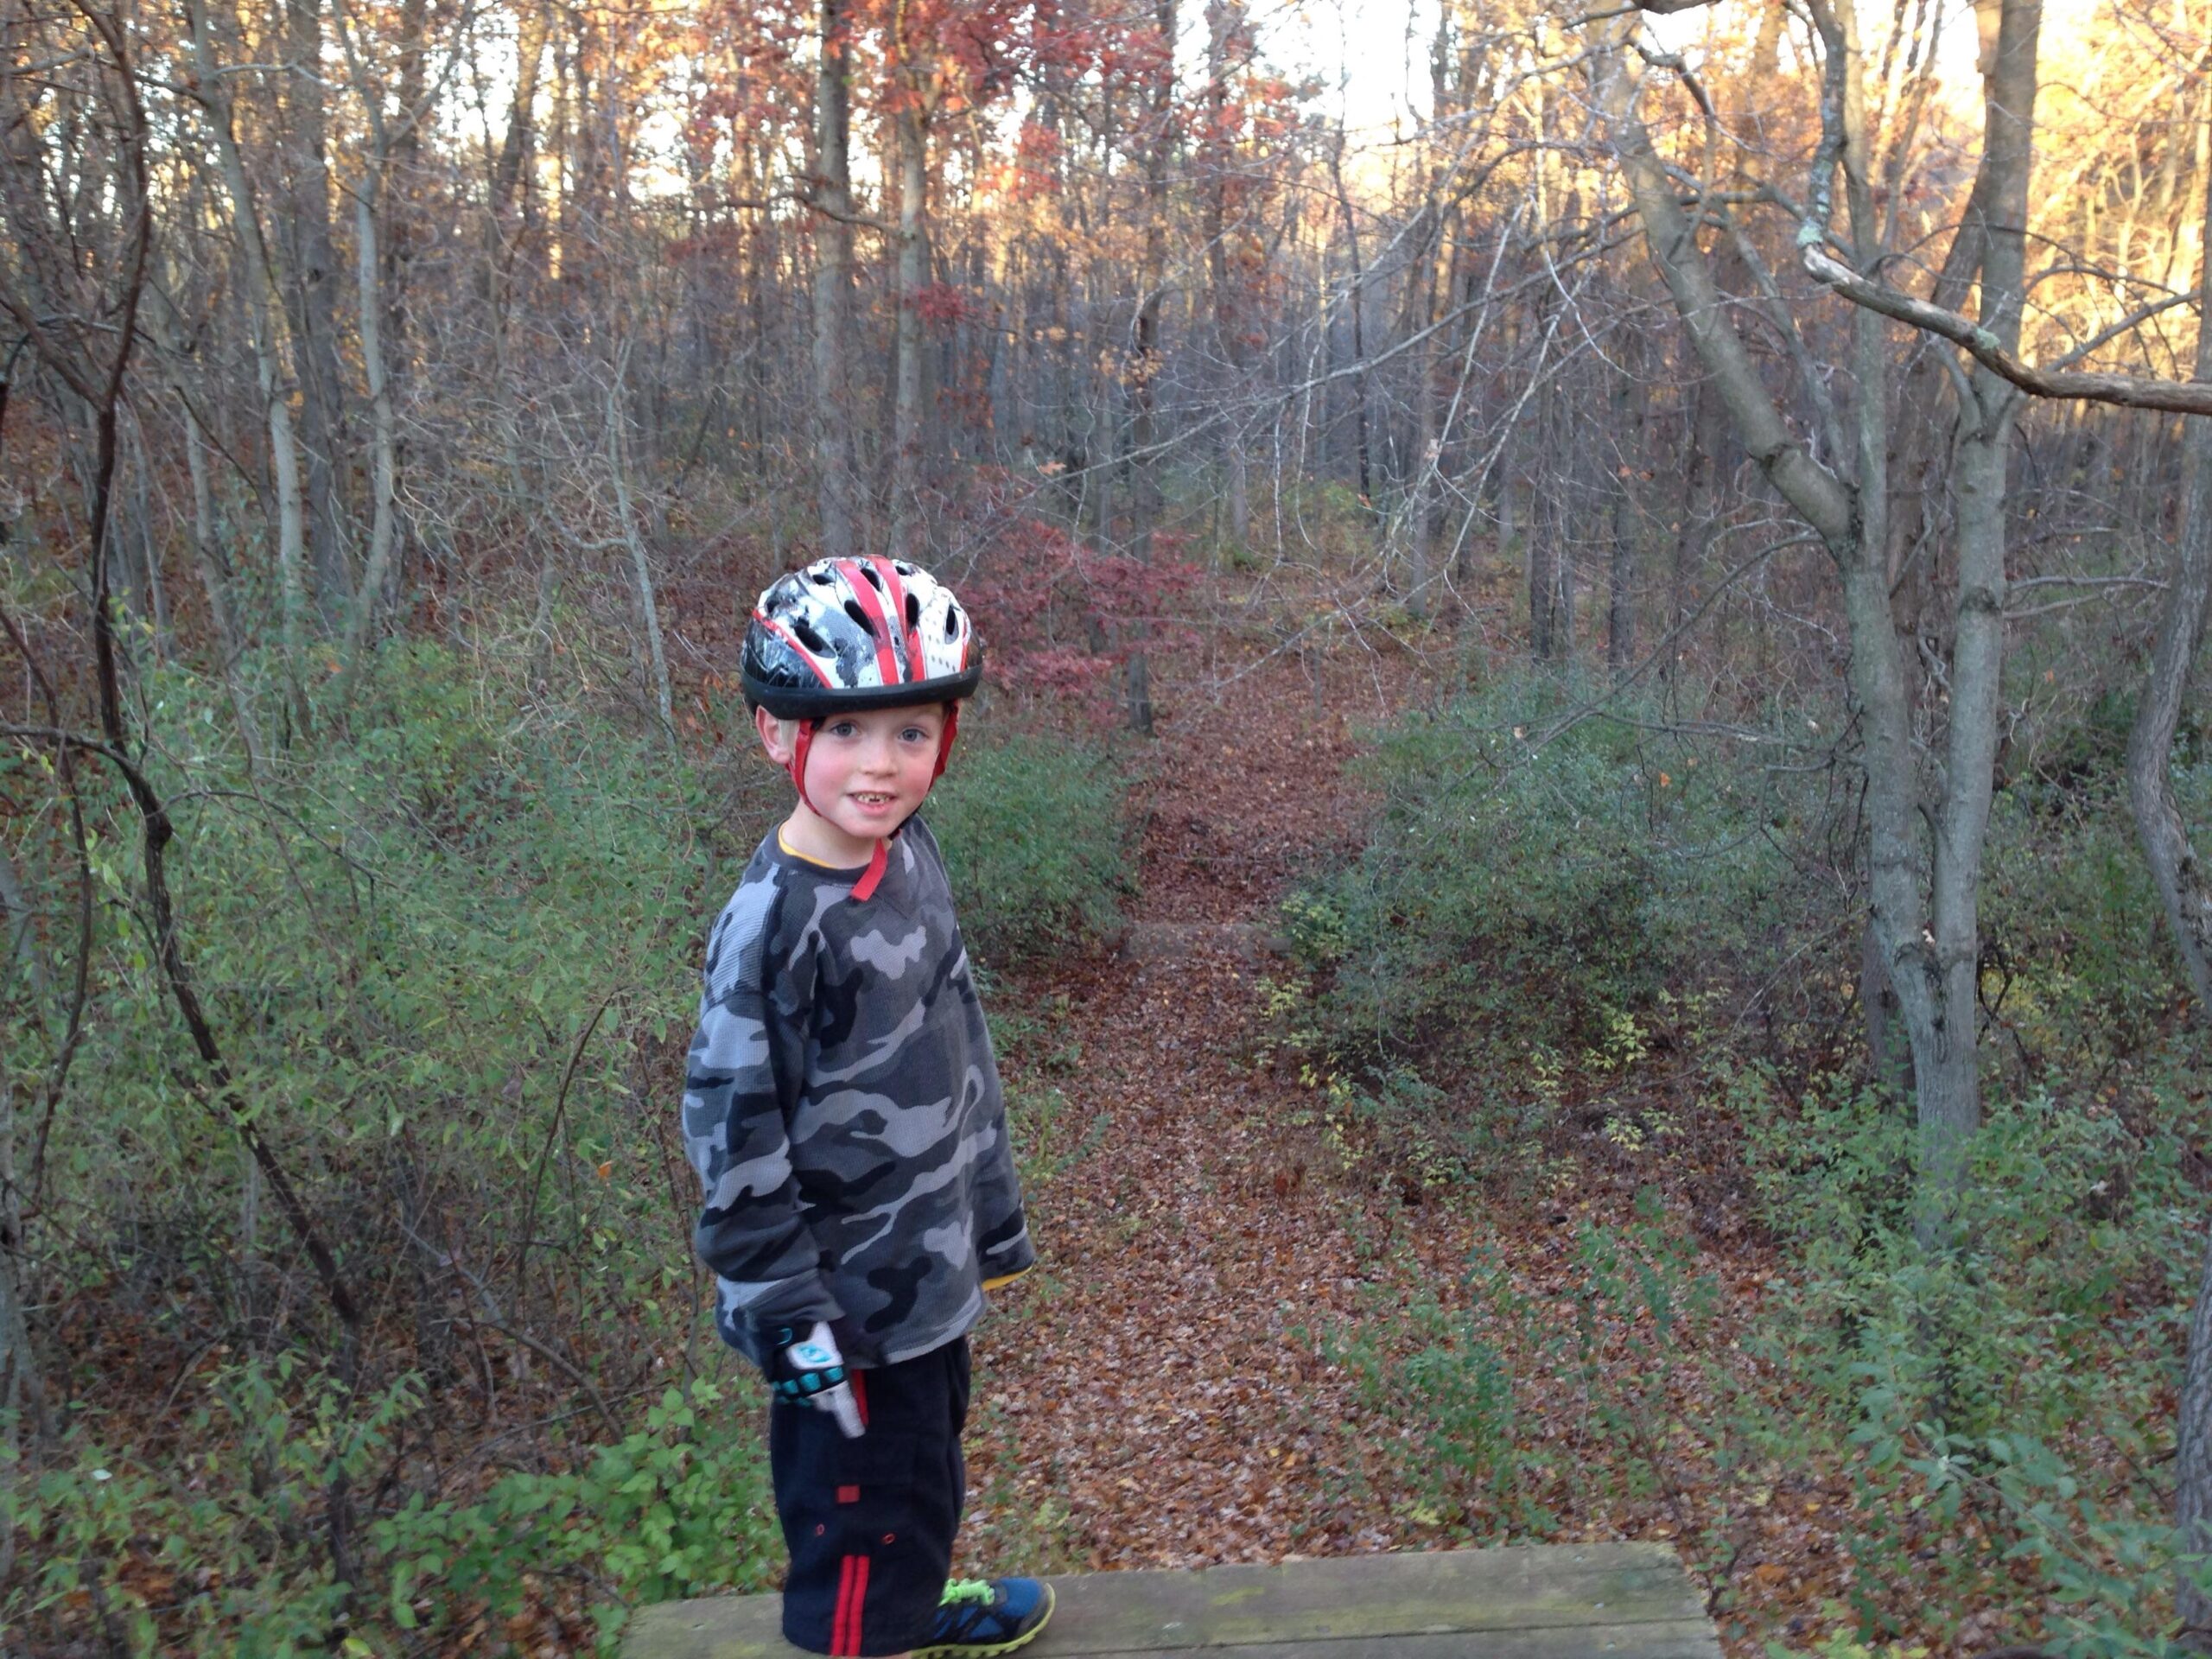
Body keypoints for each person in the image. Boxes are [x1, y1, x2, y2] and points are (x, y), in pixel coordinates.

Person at [680, 556, 1053, 1659]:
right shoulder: (771, 928)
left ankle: (912, 1609)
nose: (878, 765)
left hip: (925, 1282)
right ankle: (868, 1635)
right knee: (851, 1536)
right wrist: (784, 1311)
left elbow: (958, 1039)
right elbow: (729, 1138)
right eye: (843, 731)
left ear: (946, 738)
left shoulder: (909, 857)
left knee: (920, 1487)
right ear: (775, 734)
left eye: (909, 733)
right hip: (837, 1316)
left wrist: (991, 1213)